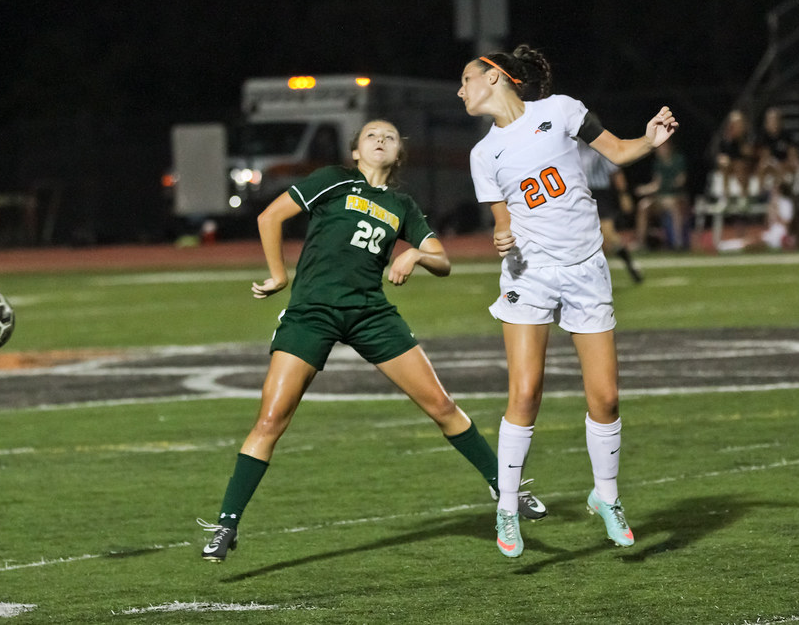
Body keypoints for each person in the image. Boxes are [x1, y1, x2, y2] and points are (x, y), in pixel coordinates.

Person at [197, 119, 545, 562]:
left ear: (399, 153)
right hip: (312, 313)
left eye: (390, 137)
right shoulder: (333, 180)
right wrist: (279, 275)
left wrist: (416, 253)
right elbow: (270, 217)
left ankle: (506, 491)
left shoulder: (402, 205)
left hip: (370, 314)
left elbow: (443, 261)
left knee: (442, 405)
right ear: (356, 151)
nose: (380, 140)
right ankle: (226, 526)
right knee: (271, 420)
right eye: (371, 136)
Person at [457, 45, 677, 558]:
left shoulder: (559, 110)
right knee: (526, 393)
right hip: (529, 276)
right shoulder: (482, 153)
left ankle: (606, 497)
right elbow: (503, 222)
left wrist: (649, 138)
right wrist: (502, 238)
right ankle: (507, 508)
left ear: (495, 78)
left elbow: (620, 152)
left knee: (606, 398)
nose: (461, 90)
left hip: (587, 270)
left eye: (467, 79)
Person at [579, 141, 644, 282]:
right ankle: (594, 275)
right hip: (581, 194)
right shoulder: (572, 147)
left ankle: (630, 264)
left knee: (608, 235)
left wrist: (623, 194)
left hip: (601, 194)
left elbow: (615, 172)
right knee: (587, 237)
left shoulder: (598, 146)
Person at [634, 139, 689, 251]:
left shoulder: (678, 160)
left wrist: (667, 185)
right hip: (660, 198)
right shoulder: (658, 163)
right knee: (643, 205)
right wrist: (644, 189)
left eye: (662, 147)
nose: (660, 150)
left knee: (673, 205)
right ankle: (641, 243)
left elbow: (681, 180)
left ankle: (677, 243)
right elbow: (656, 184)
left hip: (675, 197)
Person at [716, 178, 796, 252]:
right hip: (772, 233)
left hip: (779, 235)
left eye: (775, 189)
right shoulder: (773, 203)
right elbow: (769, 222)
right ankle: (724, 245)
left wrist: (776, 210)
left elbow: (787, 223)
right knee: (751, 240)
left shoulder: (786, 203)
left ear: (780, 190)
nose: (772, 191)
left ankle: (725, 246)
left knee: (752, 243)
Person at [754, 107, 799, 196]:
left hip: (785, 163)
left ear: (780, 121)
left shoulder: (787, 135)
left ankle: (790, 192)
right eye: (770, 120)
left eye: (775, 120)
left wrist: (792, 163)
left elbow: (792, 154)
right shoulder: (764, 136)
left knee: (796, 166)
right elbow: (765, 156)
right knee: (763, 166)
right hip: (771, 164)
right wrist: (774, 163)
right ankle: (761, 193)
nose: (773, 122)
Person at [715, 109, 755, 208]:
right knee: (724, 163)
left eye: (738, 123)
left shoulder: (749, 136)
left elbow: (749, 153)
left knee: (739, 165)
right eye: (733, 123)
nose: (735, 125)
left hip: (748, 166)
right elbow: (721, 154)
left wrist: (740, 140)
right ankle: (725, 196)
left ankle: (744, 196)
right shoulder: (726, 138)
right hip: (731, 167)